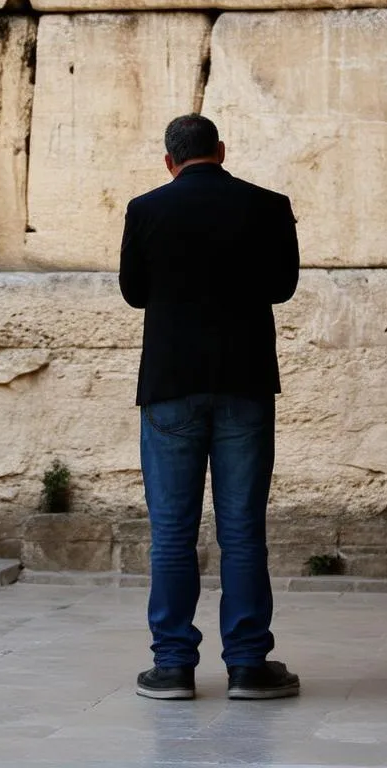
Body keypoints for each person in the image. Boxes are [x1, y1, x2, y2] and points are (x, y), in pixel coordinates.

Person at [118, 113, 301, 701]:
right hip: (244, 383)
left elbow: (133, 293)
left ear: (169, 161)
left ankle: (173, 665)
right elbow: (282, 287)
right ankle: (248, 665)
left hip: (170, 386)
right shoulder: (268, 205)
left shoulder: (145, 210)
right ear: (221, 150)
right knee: (243, 530)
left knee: (172, 532)